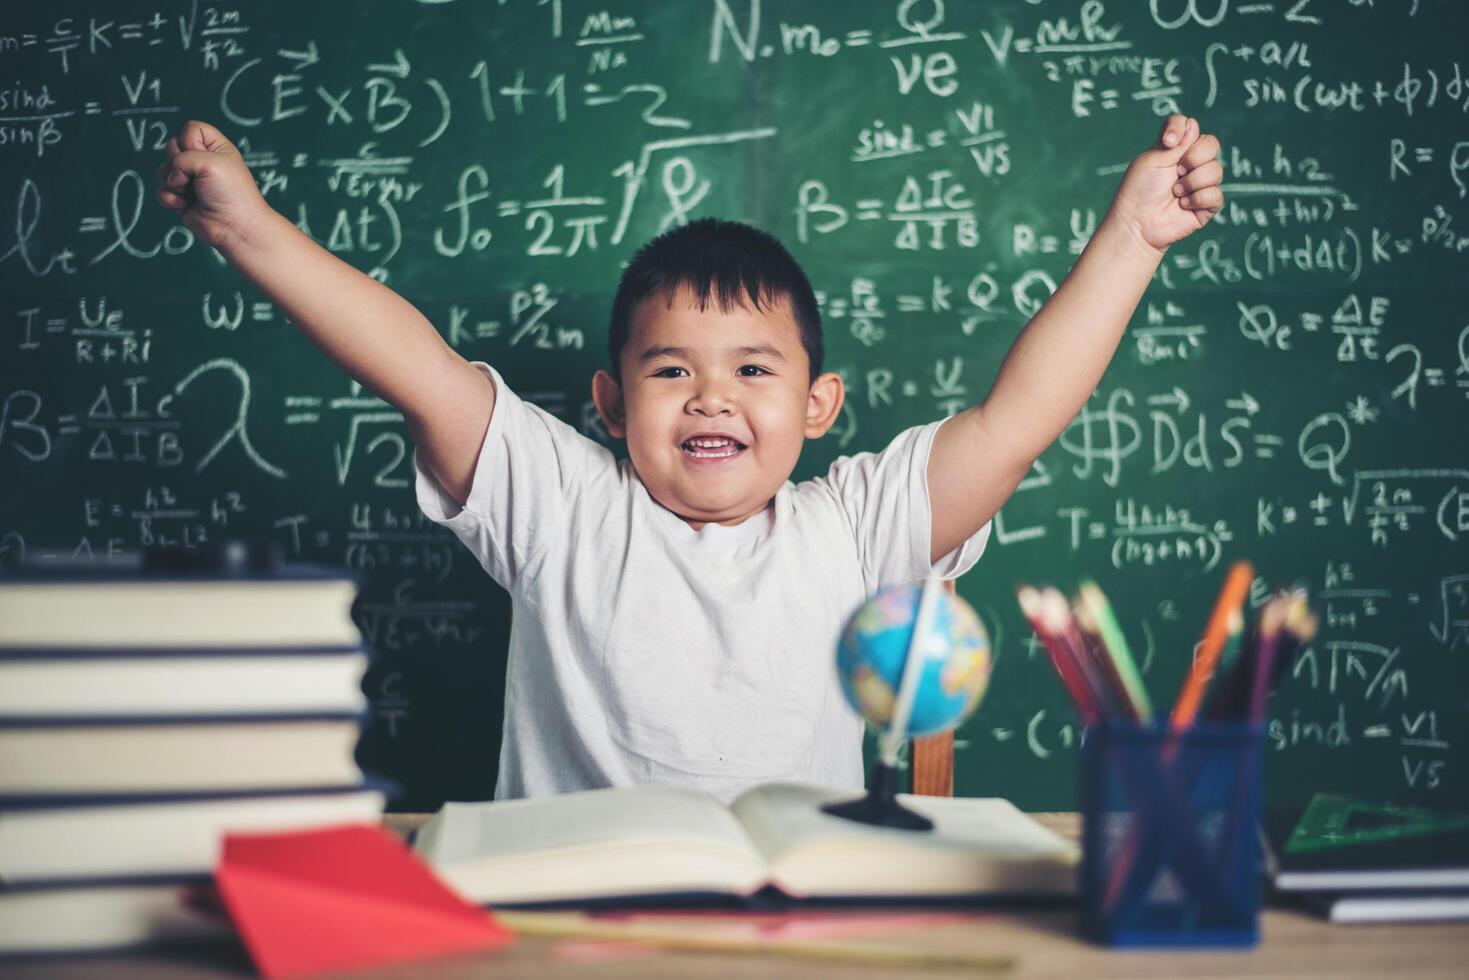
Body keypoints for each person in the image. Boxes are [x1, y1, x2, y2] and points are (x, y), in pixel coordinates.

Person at [156, 115, 1223, 803]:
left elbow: (1014, 419)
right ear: (611, 407)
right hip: (565, 921)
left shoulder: (854, 523)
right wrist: (249, 230)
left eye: (752, 371)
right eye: (672, 372)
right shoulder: (561, 501)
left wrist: (1128, 243)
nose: (712, 395)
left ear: (817, 407)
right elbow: (420, 366)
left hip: (788, 929)